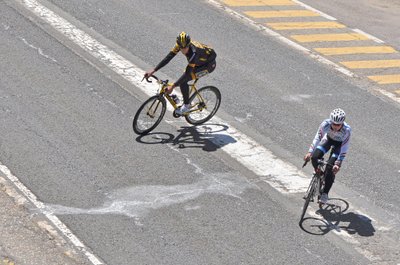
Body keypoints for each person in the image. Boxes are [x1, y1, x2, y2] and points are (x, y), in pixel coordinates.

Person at [144, 32, 217, 115]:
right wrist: (153, 70)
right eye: (181, 48)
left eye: (185, 47)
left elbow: (187, 74)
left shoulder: (193, 53)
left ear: (189, 44)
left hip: (208, 65)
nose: (183, 50)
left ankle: (186, 105)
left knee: (184, 80)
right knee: (183, 79)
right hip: (198, 62)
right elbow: (168, 58)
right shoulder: (179, 45)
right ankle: (184, 99)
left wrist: (173, 86)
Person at [303, 108, 351, 204]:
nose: (335, 126)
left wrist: (339, 162)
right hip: (328, 140)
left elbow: (345, 147)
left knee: (330, 168)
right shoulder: (325, 124)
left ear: (342, 123)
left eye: (338, 125)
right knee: (315, 157)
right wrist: (310, 152)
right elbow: (318, 138)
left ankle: (325, 193)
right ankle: (319, 173)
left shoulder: (347, 130)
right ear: (330, 121)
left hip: (339, 146)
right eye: (333, 123)